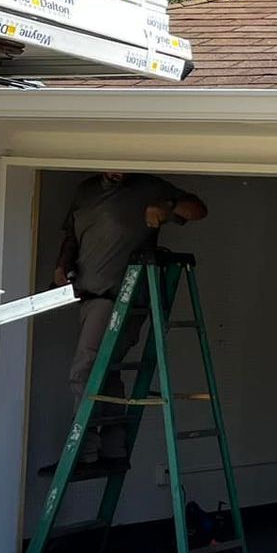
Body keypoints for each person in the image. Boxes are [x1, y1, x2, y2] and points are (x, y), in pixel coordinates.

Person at [53, 172, 208, 463]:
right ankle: (113, 448)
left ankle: (82, 450)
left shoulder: (149, 188)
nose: (118, 169)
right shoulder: (86, 191)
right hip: (88, 295)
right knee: (106, 369)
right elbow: (72, 235)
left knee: (84, 369)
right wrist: (62, 265)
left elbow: (198, 209)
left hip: (122, 299)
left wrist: (168, 206)